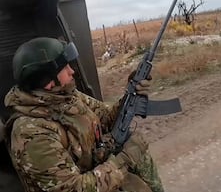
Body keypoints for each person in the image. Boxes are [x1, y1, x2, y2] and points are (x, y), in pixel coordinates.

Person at [4, 37, 164, 192]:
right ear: (48, 81)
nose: (71, 71)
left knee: (140, 156)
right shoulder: (31, 134)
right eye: (64, 68)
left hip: (98, 171)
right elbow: (74, 188)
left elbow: (106, 117)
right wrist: (124, 160)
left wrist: (131, 95)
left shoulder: (66, 96)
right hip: (88, 184)